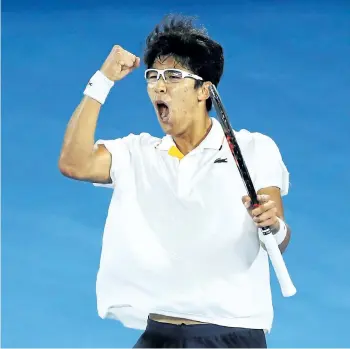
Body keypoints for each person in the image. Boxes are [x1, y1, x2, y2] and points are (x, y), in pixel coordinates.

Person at [58, 14, 291, 349]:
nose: (159, 85)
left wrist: (274, 225)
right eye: (152, 76)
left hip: (230, 334)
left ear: (204, 90)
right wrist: (102, 79)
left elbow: (277, 237)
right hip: (160, 334)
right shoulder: (137, 153)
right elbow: (73, 163)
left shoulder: (255, 148)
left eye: (172, 76)